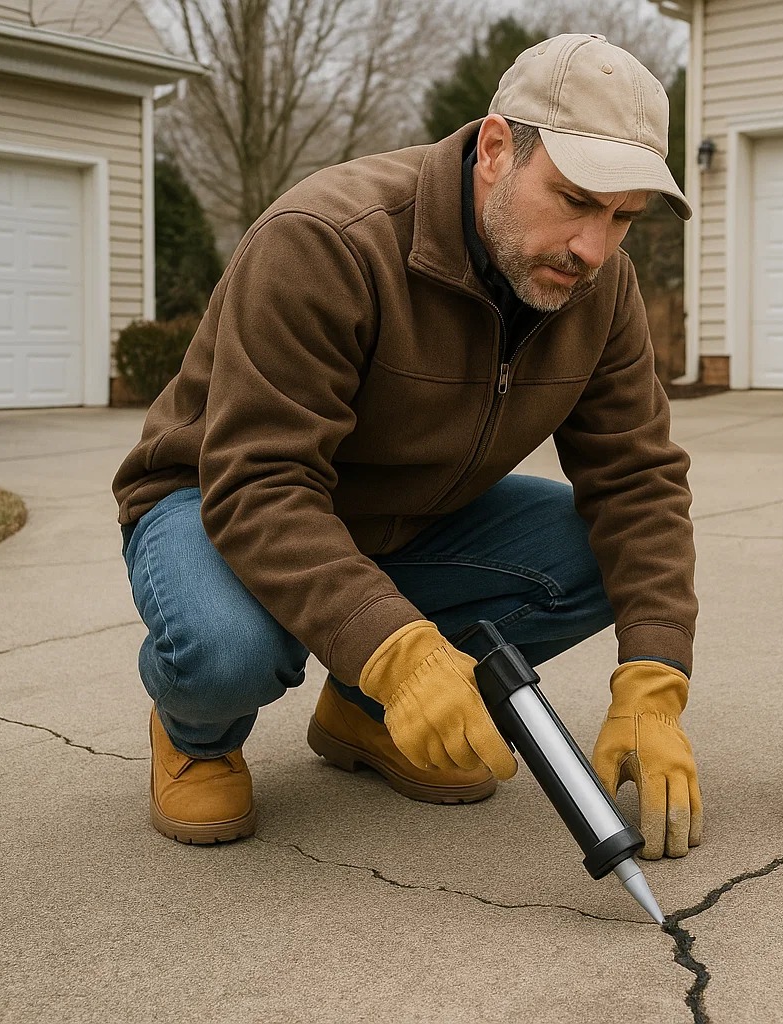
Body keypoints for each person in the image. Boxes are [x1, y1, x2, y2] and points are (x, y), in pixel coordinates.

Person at [111, 33, 702, 861]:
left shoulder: (599, 292)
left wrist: (655, 678)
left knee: (607, 553)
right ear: (496, 149)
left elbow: (638, 481)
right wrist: (402, 651)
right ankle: (195, 735)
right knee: (230, 649)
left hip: (411, 520)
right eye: (574, 199)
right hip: (214, 500)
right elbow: (260, 483)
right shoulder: (326, 241)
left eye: (623, 217)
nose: (593, 248)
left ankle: (363, 711)